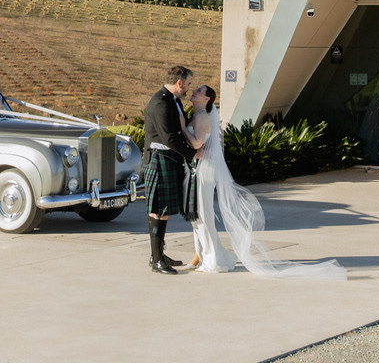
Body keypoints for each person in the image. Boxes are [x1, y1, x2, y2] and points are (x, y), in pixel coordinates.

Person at [182, 84, 346, 280]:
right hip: (199, 168)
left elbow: (197, 143)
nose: (195, 92)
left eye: (199, 90)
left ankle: (212, 258)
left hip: (204, 169)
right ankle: (206, 255)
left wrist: (182, 128)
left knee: (203, 214)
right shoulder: (198, 114)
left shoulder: (201, 117)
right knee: (198, 213)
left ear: (207, 99)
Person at [141, 65, 196, 274]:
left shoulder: (173, 100)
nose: (189, 88)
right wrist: (193, 154)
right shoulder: (161, 103)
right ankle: (156, 260)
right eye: (188, 84)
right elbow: (169, 138)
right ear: (179, 82)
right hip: (159, 158)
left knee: (162, 211)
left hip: (167, 159)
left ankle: (158, 254)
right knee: (158, 211)